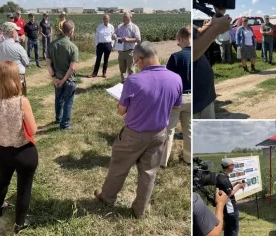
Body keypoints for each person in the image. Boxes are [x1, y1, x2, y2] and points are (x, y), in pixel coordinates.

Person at [94, 41, 182, 219]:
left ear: (140, 60)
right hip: (159, 134)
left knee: (119, 167)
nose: (136, 65)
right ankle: (139, 210)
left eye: (135, 62)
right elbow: (175, 107)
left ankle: (108, 197)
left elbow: (121, 111)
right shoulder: (176, 78)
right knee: (148, 174)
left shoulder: (133, 80)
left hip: (133, 135)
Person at [0, 60, 38, 234]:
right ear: (14, 79)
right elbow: (33, 129)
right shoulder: (21, 102)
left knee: (2, 179)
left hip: (0, 150)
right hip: (23, 151)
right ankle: (19, 223)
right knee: (24, 188)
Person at [161, 26, 191, 168]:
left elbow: (168, 80)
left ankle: (163, 161)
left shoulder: (175, 57)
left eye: (178, 40)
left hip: (177, 99)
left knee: (169, 130)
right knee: (189, 130)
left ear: (181, 39)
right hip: (193, 99)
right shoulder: (199, 55)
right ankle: (188, 159)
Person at [193, 10, 230, 119]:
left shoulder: (192, 29)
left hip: (206, 97)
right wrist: (215, 29)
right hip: (197, 103)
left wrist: (212, 23)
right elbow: (193, 52)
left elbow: (198, 32)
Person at [46, 20, 78, 130]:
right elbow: (72, 68)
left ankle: (58, 119)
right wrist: (64, 80)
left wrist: (55, 78)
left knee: (58, 99)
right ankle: (64, 125)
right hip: (69, 80)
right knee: (68, 101)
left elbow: (48, 64)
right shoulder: (73, 47)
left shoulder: (51, 45)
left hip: (57, 79)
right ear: (71, 32)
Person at [0, 22, 30, 96]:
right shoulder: (18, 47)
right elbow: (26, 63)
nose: (17, 33)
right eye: (16, 31)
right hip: (17, 76)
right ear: (12, 33)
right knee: (19, 98)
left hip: (3, 75)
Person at [216, 158, 246, 236]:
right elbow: (228, 194)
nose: (234, 167)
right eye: (233, 165)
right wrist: (239, 187)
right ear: (229, 166)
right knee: (234, 229)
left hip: (226, 208)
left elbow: (226, 189)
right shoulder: (224, 179)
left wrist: (235, 183)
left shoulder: (221, 176)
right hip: (230, 208)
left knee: (228, 228)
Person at [112, 11, 141, 83]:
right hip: (121, 52)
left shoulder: (134, 27)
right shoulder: (119, 26)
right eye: (123, 17)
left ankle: (132, 83)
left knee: (131, 69)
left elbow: (138, 39)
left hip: (130, 51)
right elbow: (114, 35)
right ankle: (123, 82)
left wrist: (127, 39)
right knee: (122, 69)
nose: (124, 18)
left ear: (130, 17)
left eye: (125, 17)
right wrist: (114, 36)